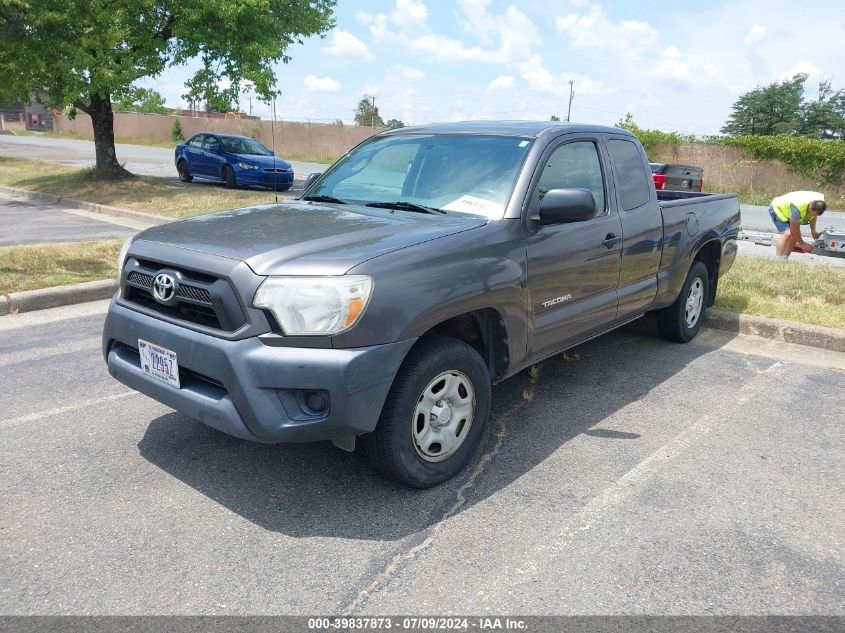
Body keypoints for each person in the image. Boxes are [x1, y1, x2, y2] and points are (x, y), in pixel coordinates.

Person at [768, 191, 827, 259]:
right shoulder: (797, 208)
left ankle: (784, 259)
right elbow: (794, 231)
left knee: (794, 236)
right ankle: (777, 260)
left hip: (790, 210)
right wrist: (803, 244)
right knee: (788, 233)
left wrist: (813, 230)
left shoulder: (820, 203)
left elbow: (813, 216)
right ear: (810, 206)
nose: (812, 215)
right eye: (811, 213)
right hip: (778, 208)